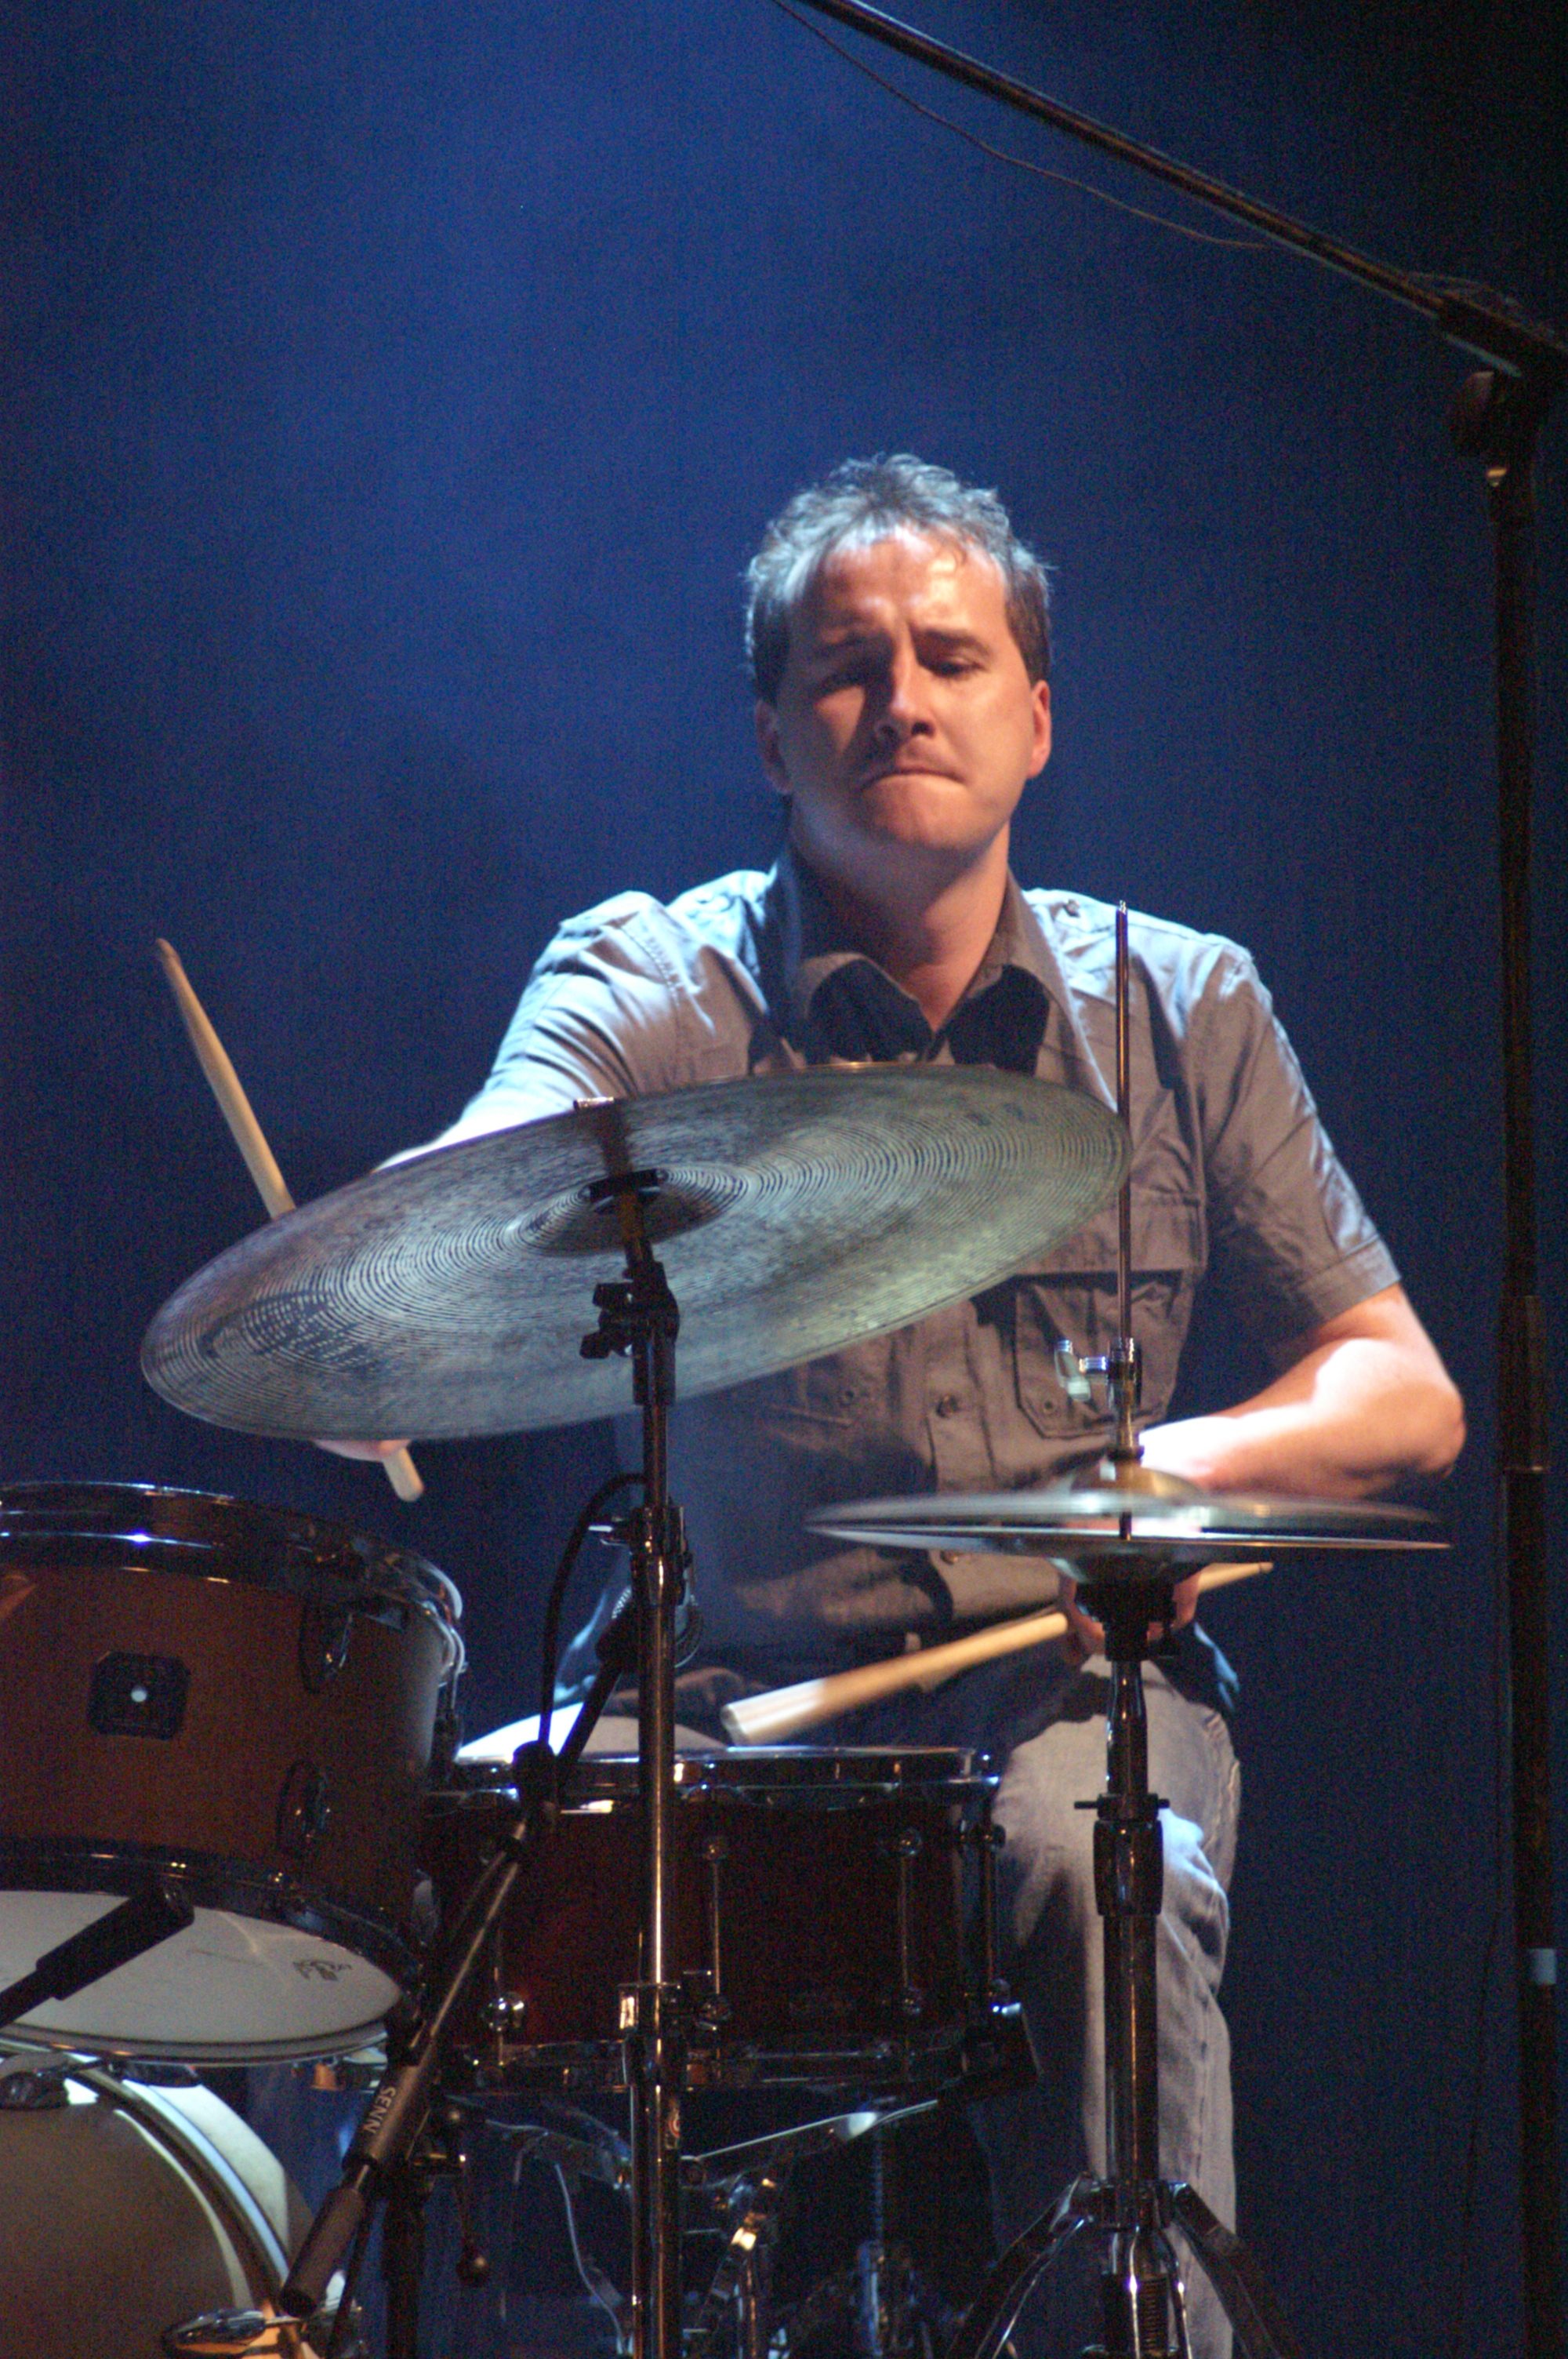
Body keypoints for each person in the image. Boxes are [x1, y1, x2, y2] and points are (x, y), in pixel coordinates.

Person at [392, 456, 1465, 2354]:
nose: (901, 700)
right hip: (722, 1688)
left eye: (951, 659)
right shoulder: (649, 976)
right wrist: (380, 1279)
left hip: (1065, 1687)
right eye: (846, 667)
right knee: (465, 1876)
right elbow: (494, 1166)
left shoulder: (1181, 1004)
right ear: (769, 732)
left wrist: (1181, 1469)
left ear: (1035, 719)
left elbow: (1405, 1390)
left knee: (1090, 1867)